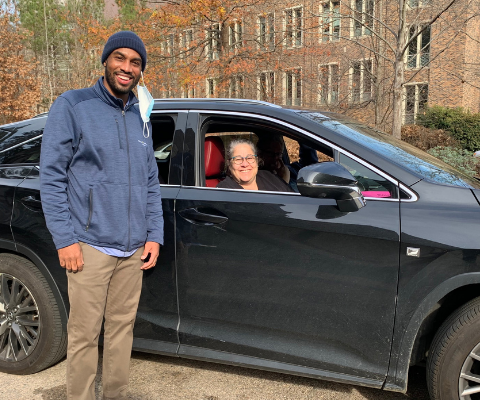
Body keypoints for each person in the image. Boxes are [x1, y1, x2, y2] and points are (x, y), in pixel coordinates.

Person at [40, 31, 164, 400]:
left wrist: (153, 234)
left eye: (135, 62)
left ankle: (116, 394)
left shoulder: (141, 116)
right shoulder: (73, 106)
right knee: (83, 334)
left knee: (122, 329)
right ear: (106, 60)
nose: (127, 68)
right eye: (120, 58)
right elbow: (52, 176)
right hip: (89, 245)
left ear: (141, 70)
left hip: (132, 248)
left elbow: (151, 181)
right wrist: (65, 239)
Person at [217, 139, 293, 192]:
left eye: (250, 158)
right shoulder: (223, 191)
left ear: (257, 161)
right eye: (238, 159)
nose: (245, 164)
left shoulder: (269, 177)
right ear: (229, 164)